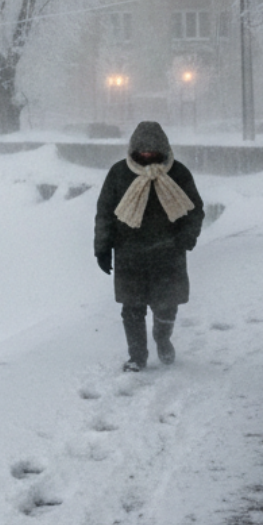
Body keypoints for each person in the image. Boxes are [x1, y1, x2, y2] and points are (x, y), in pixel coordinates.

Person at [94, 121, 204, 372]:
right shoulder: (119, 174)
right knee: (132, 309)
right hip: (129, 254)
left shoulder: (178, 174)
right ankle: (137, 357)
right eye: (142, 150)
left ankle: (162, 339)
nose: (146, 155)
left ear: (163, 149)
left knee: (166, 306)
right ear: (133, 149)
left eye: (152, 150)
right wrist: (102, 248)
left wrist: (187, 237)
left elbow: (194, 210)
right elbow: (105, 214)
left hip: (169, 252)